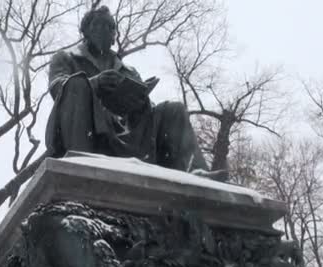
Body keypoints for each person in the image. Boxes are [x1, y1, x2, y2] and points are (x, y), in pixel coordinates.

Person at [46, 6, 226, 179]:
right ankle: (80, 164)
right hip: (90, 136)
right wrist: (94, 84)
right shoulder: (66, 57)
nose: (105, 30)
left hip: (127, 136)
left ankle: (194, 172)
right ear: (85, 31)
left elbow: (146, 113)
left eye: (110, 27)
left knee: (174, 109)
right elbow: (58, 89)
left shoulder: (128, 71)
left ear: (115, 36)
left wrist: (140, 101)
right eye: (98, 25)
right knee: (77, 84)